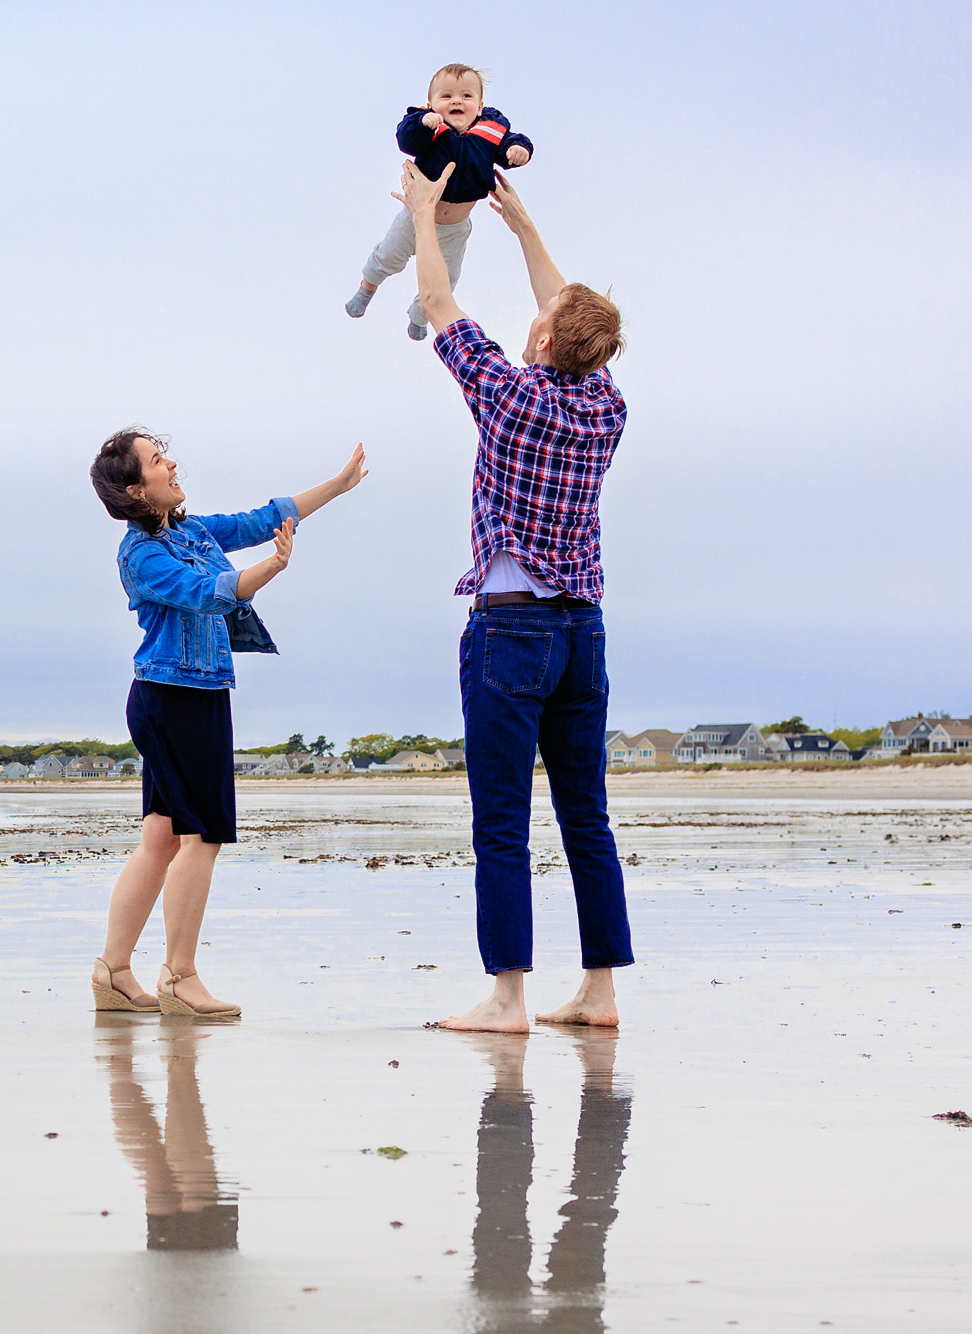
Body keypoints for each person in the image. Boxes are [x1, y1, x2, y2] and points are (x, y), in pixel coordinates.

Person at [396, 158, 632, 1033]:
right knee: (588, 820)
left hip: (513, 629)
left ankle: (508, 999)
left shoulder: (508, 394)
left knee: (501, 821)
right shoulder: (605, 408)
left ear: (541, 341)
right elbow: (571, 316)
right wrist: (525, 227)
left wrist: (427, 217)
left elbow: (440, 303)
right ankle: (600, 993)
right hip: (584, 634)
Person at [87, 429, 369, 1018]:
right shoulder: (140, 554)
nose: (170, 464)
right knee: (203, 836)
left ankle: (113, 973)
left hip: (185, 695)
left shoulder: (191, 530)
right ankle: (180, 977)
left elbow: (265, 517)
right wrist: (275, 566)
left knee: (162, 838)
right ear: (135, 489)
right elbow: (208, 593)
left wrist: (339, 487)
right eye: (157, 461)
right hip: (176, 699)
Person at [343, 63, 533, 341]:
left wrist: (520, 150)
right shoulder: (430, 124)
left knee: (445, 280)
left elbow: (509, 144)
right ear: (431, 103)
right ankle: (366, 289)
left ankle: (419, 315)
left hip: (454, 228)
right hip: (416, 217)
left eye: (466, 96)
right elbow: (406, 140)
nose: (456, 101)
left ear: (480, 106)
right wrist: (422, 124)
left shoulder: (492, 129)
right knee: (388, 257)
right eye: (446, 96)